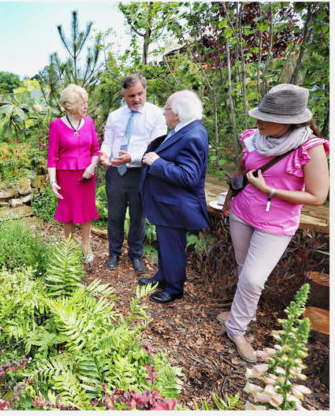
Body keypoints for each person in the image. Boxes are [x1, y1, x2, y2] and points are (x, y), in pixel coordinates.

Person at [219, 84, 329, 362]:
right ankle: (240, 312)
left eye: (266, 118)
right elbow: (242, 169)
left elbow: (317, 196)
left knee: (254, 279)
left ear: (289, 121)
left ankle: (237, 328)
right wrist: (228, 200)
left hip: (276, 224)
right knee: (245, 269)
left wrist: (270, 190)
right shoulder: (255, 137)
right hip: (243, 213)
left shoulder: (310, 148)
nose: (258, 122)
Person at [138, 90, 209, 304]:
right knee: (166, 244)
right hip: (167, 202)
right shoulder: (185, 129)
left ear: (177, 114)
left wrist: (157, 162)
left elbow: (189, 176)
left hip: (175, 205)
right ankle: (163, 276)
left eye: (166, 109)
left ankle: (174, 287)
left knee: (173, 246)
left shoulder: (194, 134)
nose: (163, 113)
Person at [99, 74, 166, 273]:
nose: (136, 99)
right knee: (115, 215)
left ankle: (136, 254)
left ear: (145, 91)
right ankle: (114, 253)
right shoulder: (115, 116)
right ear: (123, 95)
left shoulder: (156, 114)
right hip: (116, 172)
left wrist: (133, 157)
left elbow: (158, 146)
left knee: (138, 217)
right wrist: (104, 154)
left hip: (141, 172)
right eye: (131, 96)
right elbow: (108, 141)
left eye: (140, 94)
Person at [47, 84, 100, 262]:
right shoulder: (56, 125)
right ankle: (68, 248)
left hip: (87, 175)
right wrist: (53, 181)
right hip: (66, 176)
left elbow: (96, 149)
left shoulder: (90, 123)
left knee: (86, 212)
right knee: (68, 213)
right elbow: (52, 156)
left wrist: (92, 166)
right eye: (81, 103)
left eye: (86, 102)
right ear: (69, 106)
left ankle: (86, 246)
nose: (85, 106)